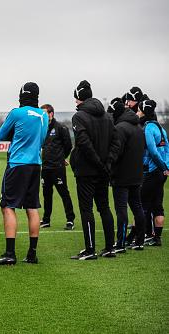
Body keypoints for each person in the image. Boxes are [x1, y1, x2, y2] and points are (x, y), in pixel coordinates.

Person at [0, 82, 48, 266]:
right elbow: (42, 138)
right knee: (32, 207)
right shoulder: (43, 115)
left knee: (7, 206)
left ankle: (10, 253)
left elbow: (2, 133)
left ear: (22, 95)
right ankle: (32, 253)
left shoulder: (17, 112)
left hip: (17, 164)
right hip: (35, 164)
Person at [69, 80, 119, 260]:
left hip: (87, 170)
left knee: (86, 209)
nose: (74, 101)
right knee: (104, 207)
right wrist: (108, 163)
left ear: (80, 97)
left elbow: (83, 142)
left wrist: (99, 163)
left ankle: (90, 250)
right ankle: (109, 248)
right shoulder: (107, 116)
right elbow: (116, 142)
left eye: (75, 98)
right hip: (103, 170)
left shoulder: (79, 116)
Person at [107, 98, 146, 252]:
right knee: (138, 207)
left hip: (122, 176)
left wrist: (109, 167)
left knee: (121, 209)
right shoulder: (138, 127)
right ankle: (139, 241)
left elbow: (116, 153)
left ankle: (121, 243)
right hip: (137, 174)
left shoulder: (120, 128)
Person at [137, 99, 168, 247]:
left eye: (139, 110)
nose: (137, 113)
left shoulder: (148, 128)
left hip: (152, 171)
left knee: (141, 204)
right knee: (158, 205)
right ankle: (157, 238)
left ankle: (139, 238)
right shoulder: (161, 129)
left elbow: (153, 151)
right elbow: (167, 150)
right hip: (162, 173)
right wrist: (166, 167)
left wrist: (161, 166)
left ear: (144, 112)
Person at [39, 104, 75, 230]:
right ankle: (46, 220)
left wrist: (61, 158)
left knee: (64, 193)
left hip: (57, 168)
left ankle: (70, 220)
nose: (42, 115)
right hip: (45, 168)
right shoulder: (41, 128)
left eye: (44, 113)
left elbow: (68, 146)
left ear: (51, 114)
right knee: (46, 195)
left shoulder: (61, 128)